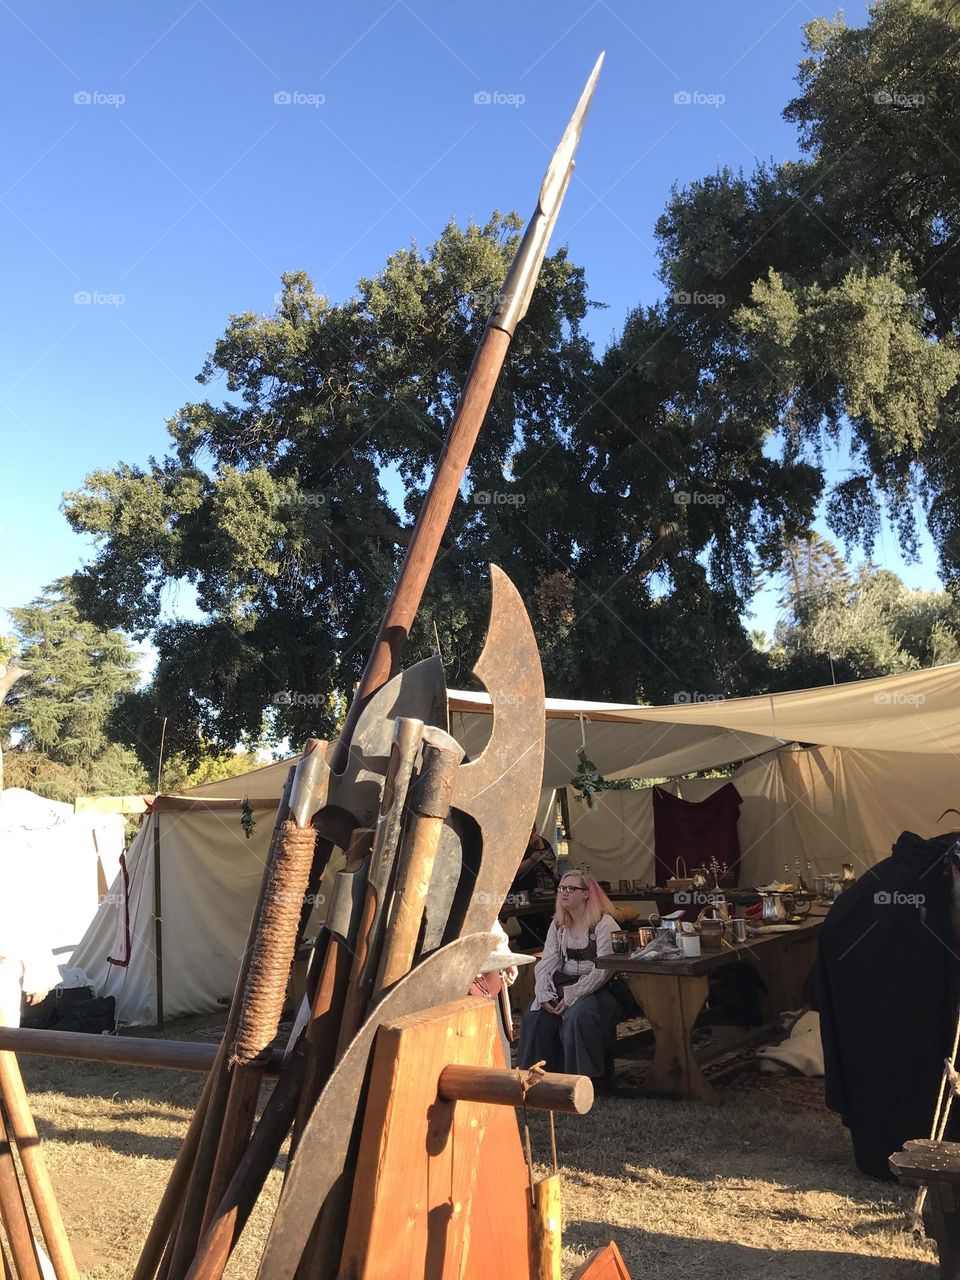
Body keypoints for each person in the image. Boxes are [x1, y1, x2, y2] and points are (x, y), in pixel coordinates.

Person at [516, 872, 620, 1084]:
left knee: (577, 1016)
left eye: (571, 888)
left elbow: (603, 970)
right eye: (562, 888)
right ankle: (538, 1080)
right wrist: (543, 993)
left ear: (586, 894)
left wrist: (573, 994)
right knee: (535, 1016)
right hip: (563, 983)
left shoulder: (604, 924)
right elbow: (548, 961)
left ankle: (583, 1081)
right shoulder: (558, 925)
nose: (564, 892)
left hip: (599, 989)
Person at [508, 823, 559, 949]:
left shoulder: (542, 842)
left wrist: (554, 869)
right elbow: (511, 871)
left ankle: (548, 952)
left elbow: (552, 862)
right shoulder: (515, 844)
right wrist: (531, 860)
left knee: (548, 927)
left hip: (547, 893)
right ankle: (531, 957)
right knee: (529, 929)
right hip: (524, 894)